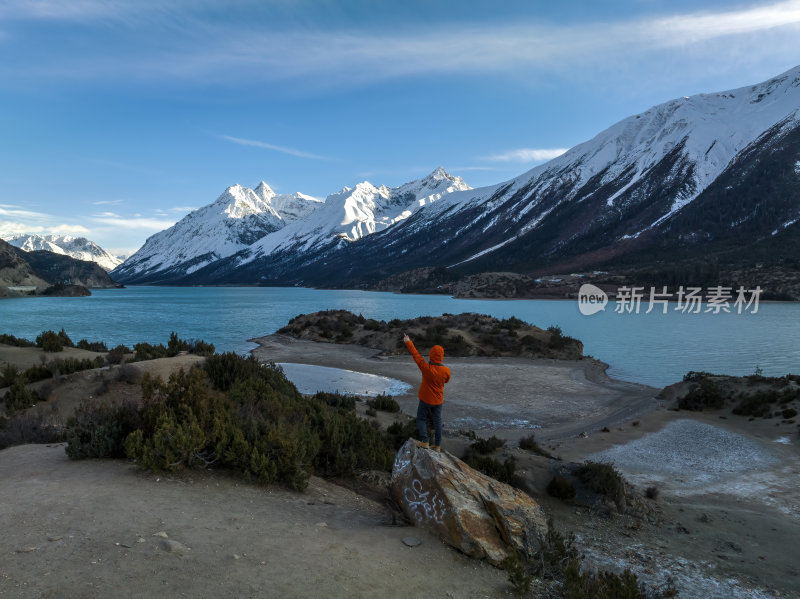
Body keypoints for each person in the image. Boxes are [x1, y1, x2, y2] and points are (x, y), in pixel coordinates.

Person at [403, 333, 451, 451]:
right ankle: (437, 445)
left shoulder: (426, 368)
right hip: (438, 400)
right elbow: (447, 380)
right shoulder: (446, 370)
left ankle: (425, 441)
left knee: (421, 419)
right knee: (437, 422)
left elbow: (416, 355)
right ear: (441, 357)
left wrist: (408, 342)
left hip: (425, 399)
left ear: (431, 355)